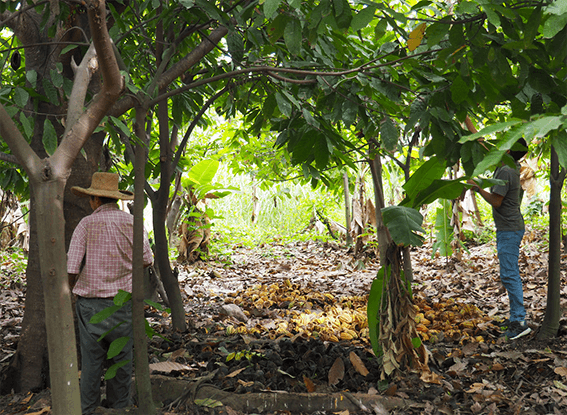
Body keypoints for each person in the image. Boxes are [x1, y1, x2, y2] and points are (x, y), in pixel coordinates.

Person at [67, 172, 153, 414]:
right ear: (116, 199)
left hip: (90, 305)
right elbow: (147, 260)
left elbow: (72, 267)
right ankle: (119, 407)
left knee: (92, 362)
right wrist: (123, 267)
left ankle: (88, 409)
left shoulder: (86, 224)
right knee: (122, 360)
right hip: (122, 304)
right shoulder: (132, 222)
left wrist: (70, 291)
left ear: (94, 200)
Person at [469, 138, 530, 340]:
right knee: (508, 274)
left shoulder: (506, 171)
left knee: (509, 274)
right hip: (510, 228)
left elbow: (496, 201)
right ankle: (515, 317)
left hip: (509, 230)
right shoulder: (510, 164)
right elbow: (483, 143)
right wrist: (464, 118)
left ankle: (520, 321)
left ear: (510, 149)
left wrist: (478, 188)